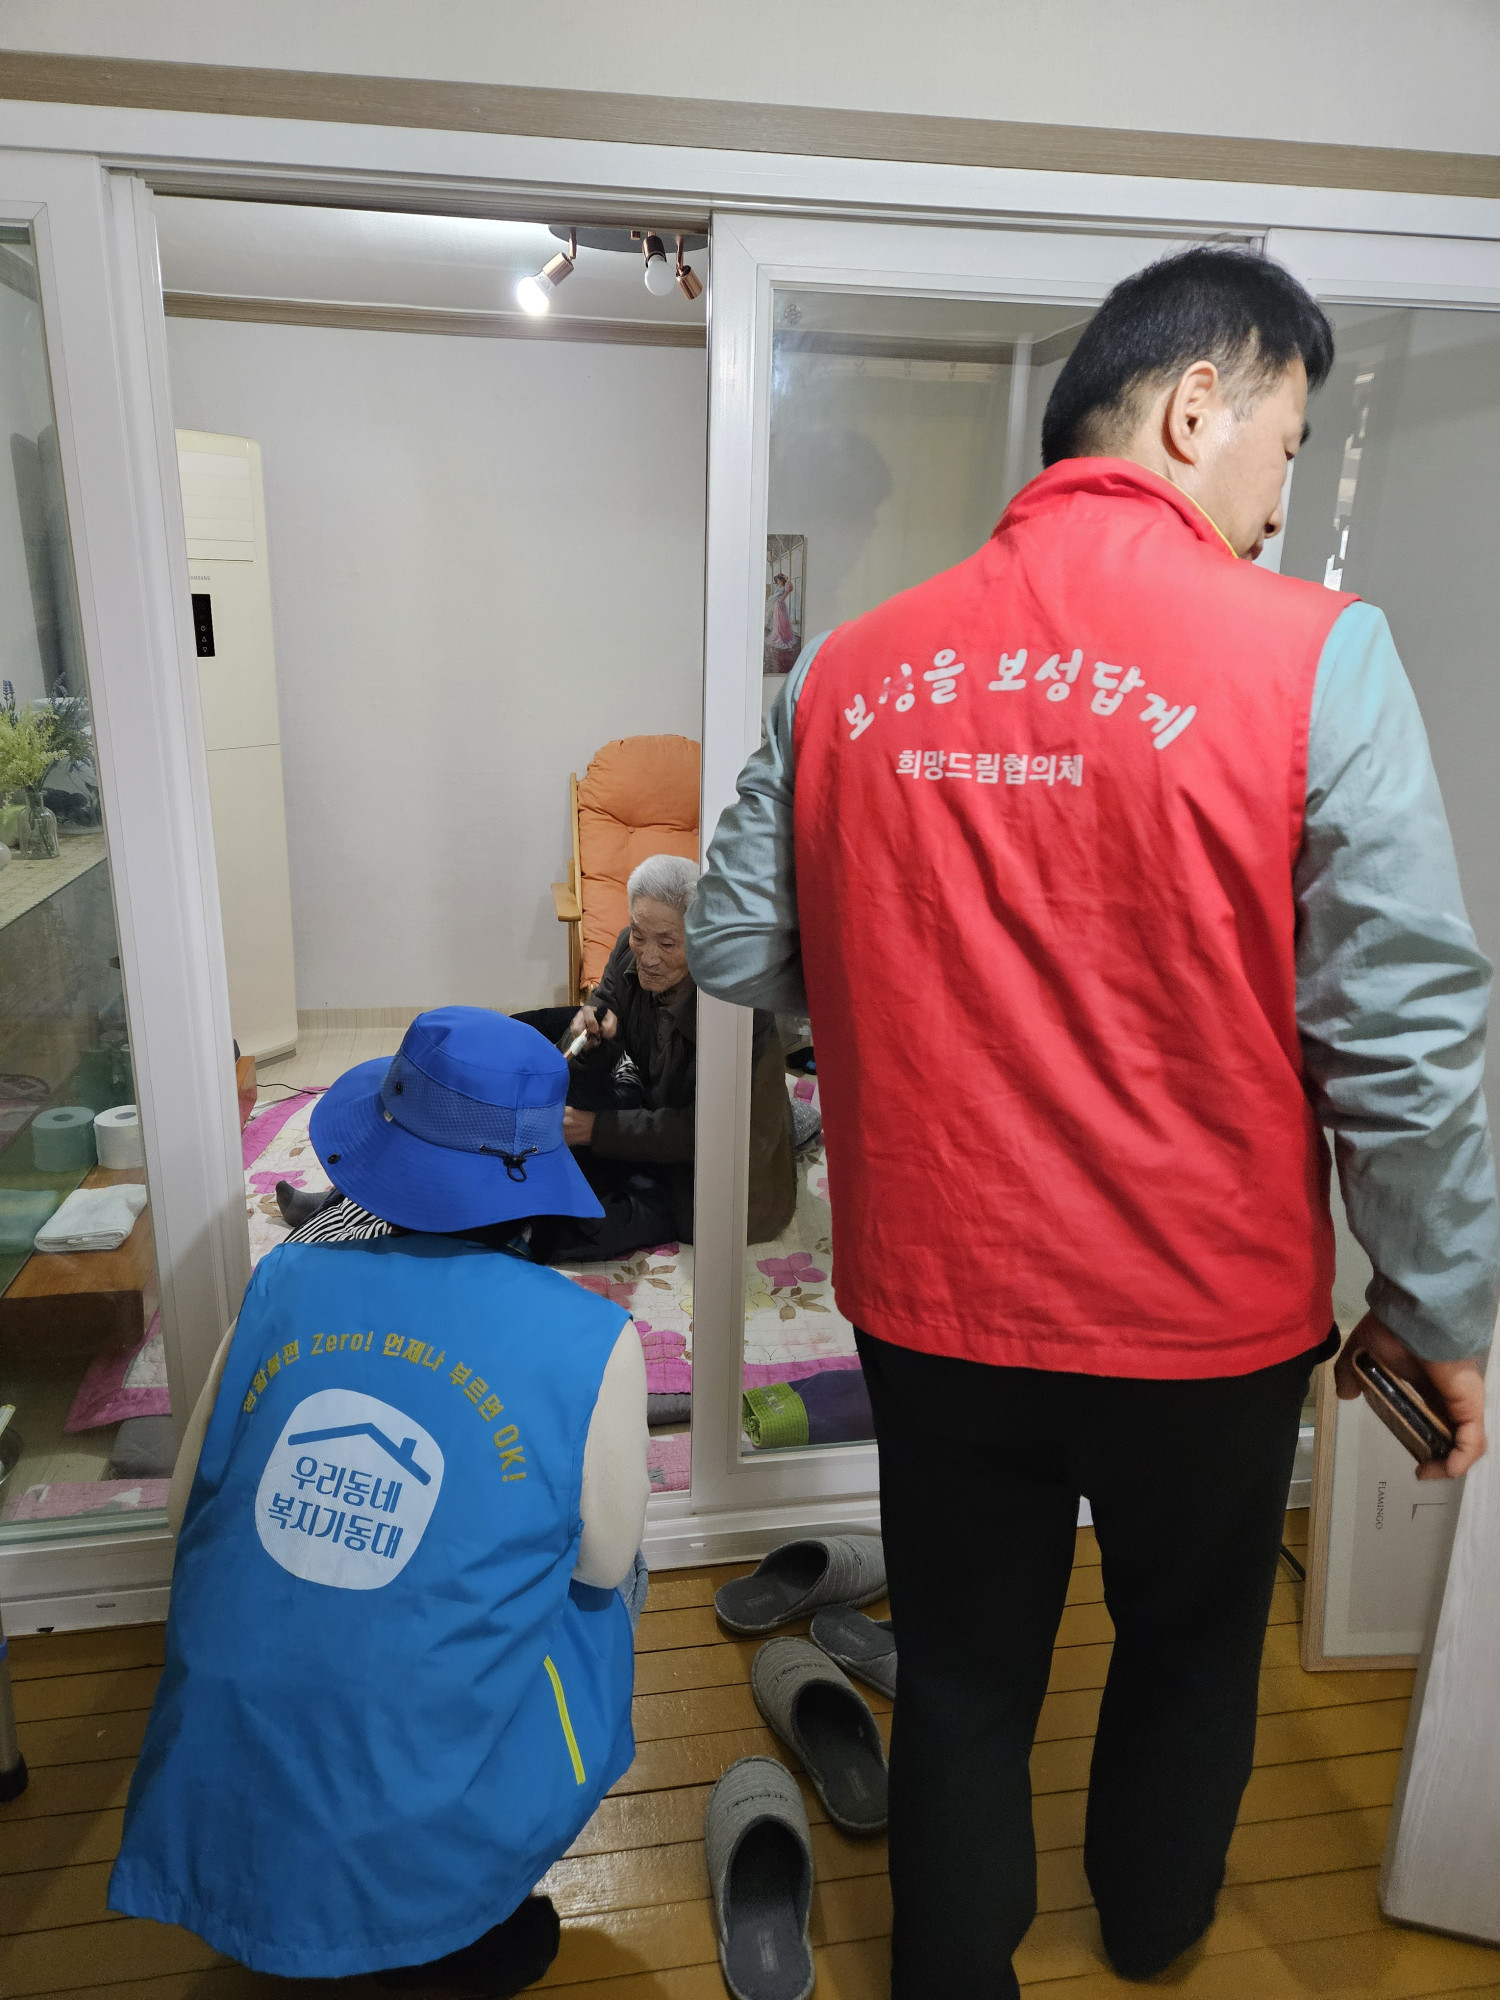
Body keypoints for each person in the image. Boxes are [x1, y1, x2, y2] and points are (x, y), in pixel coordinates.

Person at [685, 246, 1498, 1997]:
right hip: (1203, 1327)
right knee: (1189, 1652)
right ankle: (1154, 1928)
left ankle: (952, 1967)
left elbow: (737, 944)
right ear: (1200, 405)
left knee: (967, 1666)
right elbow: (1406, 1033)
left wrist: (901, 978)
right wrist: (1436, 1308)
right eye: (1286, 446)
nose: (1278, 501)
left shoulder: (848, 669)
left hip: (933, 1302)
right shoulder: (1320, 659)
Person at [110, 1008, 650, 1993]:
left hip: (222, 1789)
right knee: (615, 1575)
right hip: (429, 1838)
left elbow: (187, 1504)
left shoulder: (280, 1280)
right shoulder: (591, 1338)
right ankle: (470, 1890)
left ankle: (292, 1884)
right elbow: (604, 1564)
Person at [521, 853, 797, 1264]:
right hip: (659, 1110)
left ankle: (790, 1123)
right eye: (639, 935)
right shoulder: (628, 947)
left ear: (701, 935)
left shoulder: (737, 1006)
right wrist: (589, 1029)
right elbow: (604, 1005)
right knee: (550, 1051)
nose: (648, 958)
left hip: (721, 1160)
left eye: (668, 944)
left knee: (583, 1227)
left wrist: (597, 1130)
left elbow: (710, 1130)